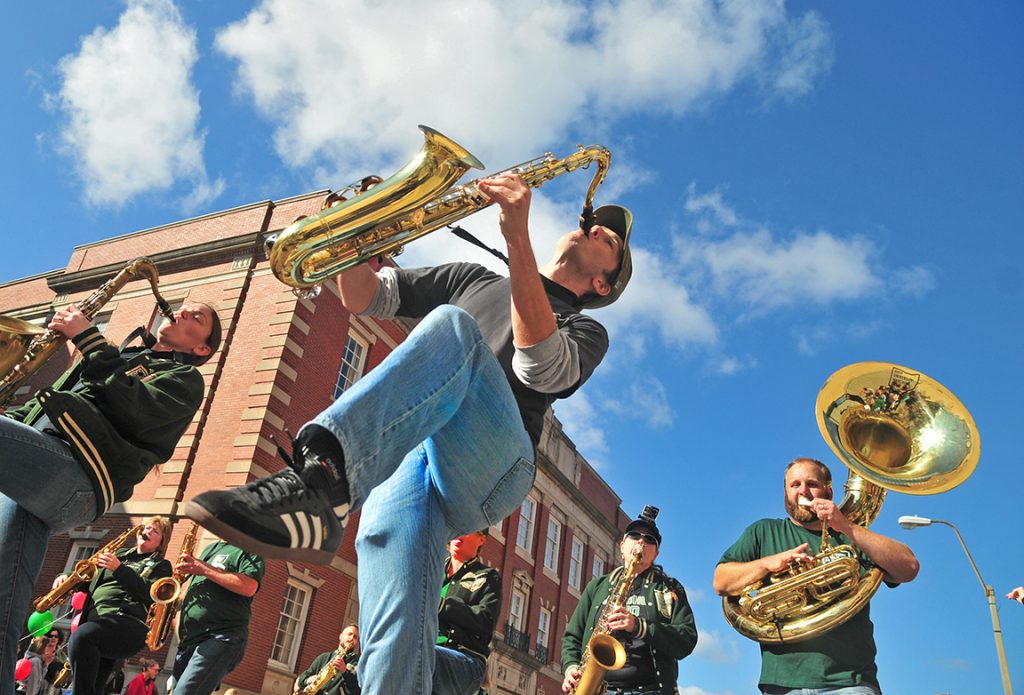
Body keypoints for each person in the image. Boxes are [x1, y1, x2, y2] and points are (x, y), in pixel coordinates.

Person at [185, 174, 634, 694]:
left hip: (493, 464)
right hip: (414, 462)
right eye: (598, 223)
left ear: (603, 284)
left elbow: (541, 369)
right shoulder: (471, 278)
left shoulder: (585, 328)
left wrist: (516, 238)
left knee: (454, 330)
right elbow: (364, 297)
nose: (596, 225)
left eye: (611, 239)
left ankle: (323, 480)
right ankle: (329, 494)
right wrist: (356, 231)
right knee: (392, 635)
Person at [0, 300, 220, 692]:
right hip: (37, 465)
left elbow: (132, 405)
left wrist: (88, 338)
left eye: (196, 317)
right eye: (184, 308)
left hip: (77, 475)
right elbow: (40, 407)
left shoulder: (185, 380)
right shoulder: (119, 355)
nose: (183, 312)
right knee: (4, 603)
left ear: (201, 348)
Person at [713, 458, 920, 695]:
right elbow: (721, 581)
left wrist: (846, 525)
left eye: (811, 483)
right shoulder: (763, 531)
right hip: (783, 684)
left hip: (851, 683)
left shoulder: (850, 536)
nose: (802, 490)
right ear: (785, 492)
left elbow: (909, 567)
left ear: (828, 491)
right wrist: (769, 563)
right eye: (795, 484)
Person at [561, 507, 697, 695]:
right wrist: (570, 668)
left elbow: (687, 639)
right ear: (622, 545)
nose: (641, 541)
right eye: (635, 535)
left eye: (650, 539)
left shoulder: (669, 588)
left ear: (656, 553)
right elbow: (572, 637)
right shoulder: (597, 586)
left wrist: (639, 626)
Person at [59, 519, 172, 695]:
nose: (148, 531)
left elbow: (150, 596)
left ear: (161, 543)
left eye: (155, 531)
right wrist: (66, 577)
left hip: (126, 625)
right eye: (147, 527)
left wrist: (120, 569)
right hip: (97, 624)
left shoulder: (162, 566)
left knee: (81, 637)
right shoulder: (119, 554)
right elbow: (88, 579)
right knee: (96, 686)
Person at [170, 539, 265, 695]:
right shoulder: (210, 548)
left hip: (221, 636)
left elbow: (249, 586)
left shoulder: (250, 549)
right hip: (190, 639)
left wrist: (204, 568)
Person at [435, 530, 501, 695]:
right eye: (456, 527)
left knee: (421, 656)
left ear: (481, 539)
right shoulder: (433, 569)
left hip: (466, 658)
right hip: (427, 649)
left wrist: (444, 606)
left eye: (468, 528)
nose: (459, 533)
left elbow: (486, 621)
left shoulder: (488, 577)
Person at [293, 625, 360, 695]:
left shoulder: (358, 663)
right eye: (349, 634)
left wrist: (345, 671)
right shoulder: (324, 657)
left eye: (355, 637)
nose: (352, 638)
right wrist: (307, 680)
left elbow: (357, 689)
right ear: (340, 636)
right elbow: (303, 677)